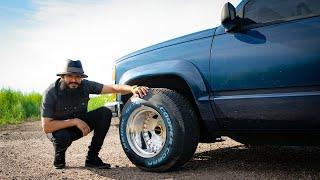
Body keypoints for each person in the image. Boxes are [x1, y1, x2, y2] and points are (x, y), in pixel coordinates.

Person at [41, 59, 149, 169]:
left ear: (81, 78)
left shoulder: (85, 85)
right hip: (59, 129)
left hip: (80, 122)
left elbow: (112, 88)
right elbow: (47, 127)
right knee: (62, 136)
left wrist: (132, 88)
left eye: (78, 76)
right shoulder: (51, 92)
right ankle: (59, 155)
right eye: (70, 76)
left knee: (104, 112)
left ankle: (92, 158)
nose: (74, 80)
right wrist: (74, 121)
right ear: (62, 76)